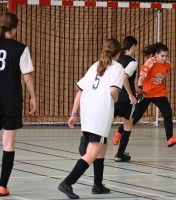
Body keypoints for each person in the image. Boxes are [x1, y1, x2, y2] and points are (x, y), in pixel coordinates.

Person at [58, 38, 124, 199]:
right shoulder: (118, 67)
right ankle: (67, 182)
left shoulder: (96, 65)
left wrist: (73, 114)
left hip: (87, 111)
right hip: (100, 113)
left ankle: (98, 184)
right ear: (119, 53)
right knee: (92, 152)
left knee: (103, 144)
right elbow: (113, 91)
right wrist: (115, 101)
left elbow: (80, 91)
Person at [0, 12, 36, 196]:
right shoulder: (21, 48)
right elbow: (27, 77)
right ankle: (2, 186)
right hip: (11, 101)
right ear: (15, 28)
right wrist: (33, 97)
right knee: (8, 144)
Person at [113, 42, 176, 150]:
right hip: (145, 93)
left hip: (159, 93)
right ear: (156, 54)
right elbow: (141, 77)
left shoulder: (168, 65)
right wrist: (140, 87)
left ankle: (169, 139)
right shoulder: (151, 62)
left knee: (168, 112)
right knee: (135, 118)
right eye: (162, 56)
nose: (164, 58)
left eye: (166, 56)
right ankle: (119, 132)